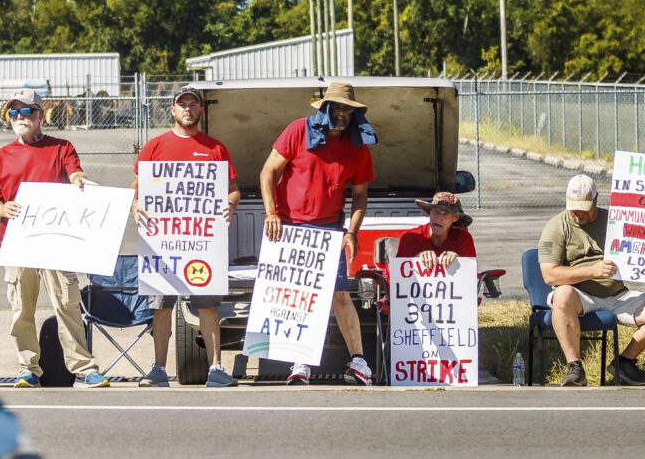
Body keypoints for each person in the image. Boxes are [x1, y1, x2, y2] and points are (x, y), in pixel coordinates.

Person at [0, 88, 109, 389]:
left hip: (57, 244)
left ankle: (84, 368)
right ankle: (28, 369)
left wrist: (80, 180)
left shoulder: (61, 147)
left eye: (26, 111)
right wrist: (2, 207)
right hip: (18, 245)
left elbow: (74, 173)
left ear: (40, 115)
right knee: (21, 310)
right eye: (13, 112)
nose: (19, 118)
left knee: (67, 305)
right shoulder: (2, 156)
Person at [260, 81, 376, 386]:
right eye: (336, 108)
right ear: (325, 108)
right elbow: (268, 172)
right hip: (290, 229)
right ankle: (301, 363)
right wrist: (272, 213)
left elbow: (360, 196)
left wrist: (352, 231)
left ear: (354, 114)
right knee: (299, 298)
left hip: (329, 231)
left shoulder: (357, 146)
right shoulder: (299, 129)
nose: (341, 114)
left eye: (347, 110)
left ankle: (360, 363)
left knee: (339, 295)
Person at [132, 86, 241, 388]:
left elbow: (232, 189)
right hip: (163, 241)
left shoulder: (215, 148)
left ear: (201, 111)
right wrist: (135, 204)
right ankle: (157, 370)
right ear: (173, 109)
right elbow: (137, 187)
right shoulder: (154, 147)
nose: (188, 108)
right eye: (183, 104)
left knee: (208, 304)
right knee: (161, 305)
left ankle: (216, 369)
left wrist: (230, 204)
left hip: (202, 243)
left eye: (194, 104)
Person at [538, 174, 645, 386]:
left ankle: (625, 363)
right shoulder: (556, 226)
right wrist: (592, 271)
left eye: (584, 207)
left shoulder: (615, 221)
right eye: (574, 207)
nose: (578, 213)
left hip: (617, 293)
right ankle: (575, 368)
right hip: (579, 295)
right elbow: (550, 275)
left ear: (596, 200)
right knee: (562, 295)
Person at [396, 192, 476, 269]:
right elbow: (398, 274)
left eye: (445, 214)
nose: (439, 218)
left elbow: (471, 274)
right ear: (429, 212)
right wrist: (416, 260)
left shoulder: (463, 239)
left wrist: (460, 261)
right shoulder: (410, 237)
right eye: (435, 212)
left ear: (455, 218)